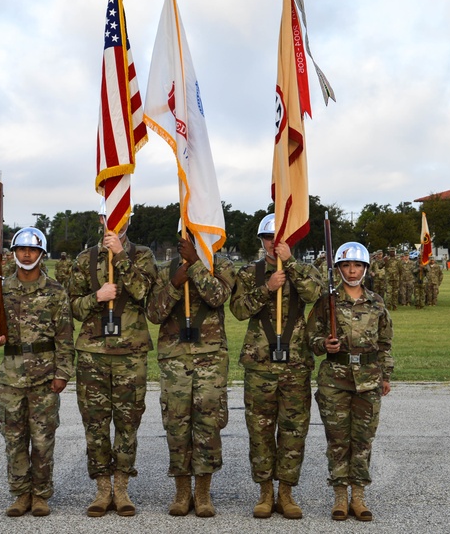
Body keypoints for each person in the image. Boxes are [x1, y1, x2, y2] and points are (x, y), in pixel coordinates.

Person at [230, 213, 322, 519]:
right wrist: (267, 287)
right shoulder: (249, 273)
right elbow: (239, 310)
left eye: (279, 237)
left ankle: (286, 492)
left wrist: (291, 265)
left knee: (294, 431)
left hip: (295, 364)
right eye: (268, 238)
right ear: (261, 241)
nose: (273, 243)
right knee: (260, 431)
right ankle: (265, 492)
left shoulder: (305, 270)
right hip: (260, 365)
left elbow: (315, 295)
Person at [0, 228, 74, 518]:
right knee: (14, 438)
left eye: (32, 250)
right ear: (14, 253)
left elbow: (65, 337)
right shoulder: (1, 289)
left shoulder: (56, 291)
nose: (26, 254)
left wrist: (63, 373)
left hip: (45, 376)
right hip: (10, 377)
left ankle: (41, 495)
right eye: (21, 249)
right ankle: (21, 494)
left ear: (42, 254)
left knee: (43, 439)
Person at [68, 211, 156, 517]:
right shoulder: (85, 259)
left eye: (122, 218)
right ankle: (102, 489)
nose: (116, 224)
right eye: (110, 218)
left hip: (130, 354)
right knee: (95, 424)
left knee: (128, 423)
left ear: (129, 220)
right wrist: (97, 296)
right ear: (102, 220)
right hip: (93, 353)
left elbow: (143, 292)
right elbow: (73, 308)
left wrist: (120, 255)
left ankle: (122, 488)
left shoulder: (142, 255)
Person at [147, 227, 236, 517]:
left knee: (208, 425)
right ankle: (182, 490)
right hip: (175, 358)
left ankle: (203, 492)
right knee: (177, 425)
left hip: (210, 358)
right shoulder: (166, 270)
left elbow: (218, 297)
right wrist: (174, 283)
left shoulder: (220, 265)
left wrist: (196, 265)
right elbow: (154, 313)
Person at [308, 241, 393, 521]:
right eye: (346, 265)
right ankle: (340, 497)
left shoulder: (377, 302)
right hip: (335, 380)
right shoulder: (327, 302)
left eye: (357, 265)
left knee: (363, 441)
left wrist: (386, 375)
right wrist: (324, 345)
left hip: (368, 380)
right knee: (338, 440)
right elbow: (310, 338)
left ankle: (359, 496)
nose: (352, 270)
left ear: (366, 269)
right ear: (338, 268)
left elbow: (385, 342)